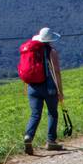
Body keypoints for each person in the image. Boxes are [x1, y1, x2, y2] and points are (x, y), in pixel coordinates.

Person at [20, 27, 66, 155]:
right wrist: (60, 91)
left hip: (32, 87)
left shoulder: (32, 51)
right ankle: (51, 141)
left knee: (35, 114)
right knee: (52, 113)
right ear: (51, 39)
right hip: (48, 87)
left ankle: (28, 136)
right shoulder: (51, 51)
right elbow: (56, 71)